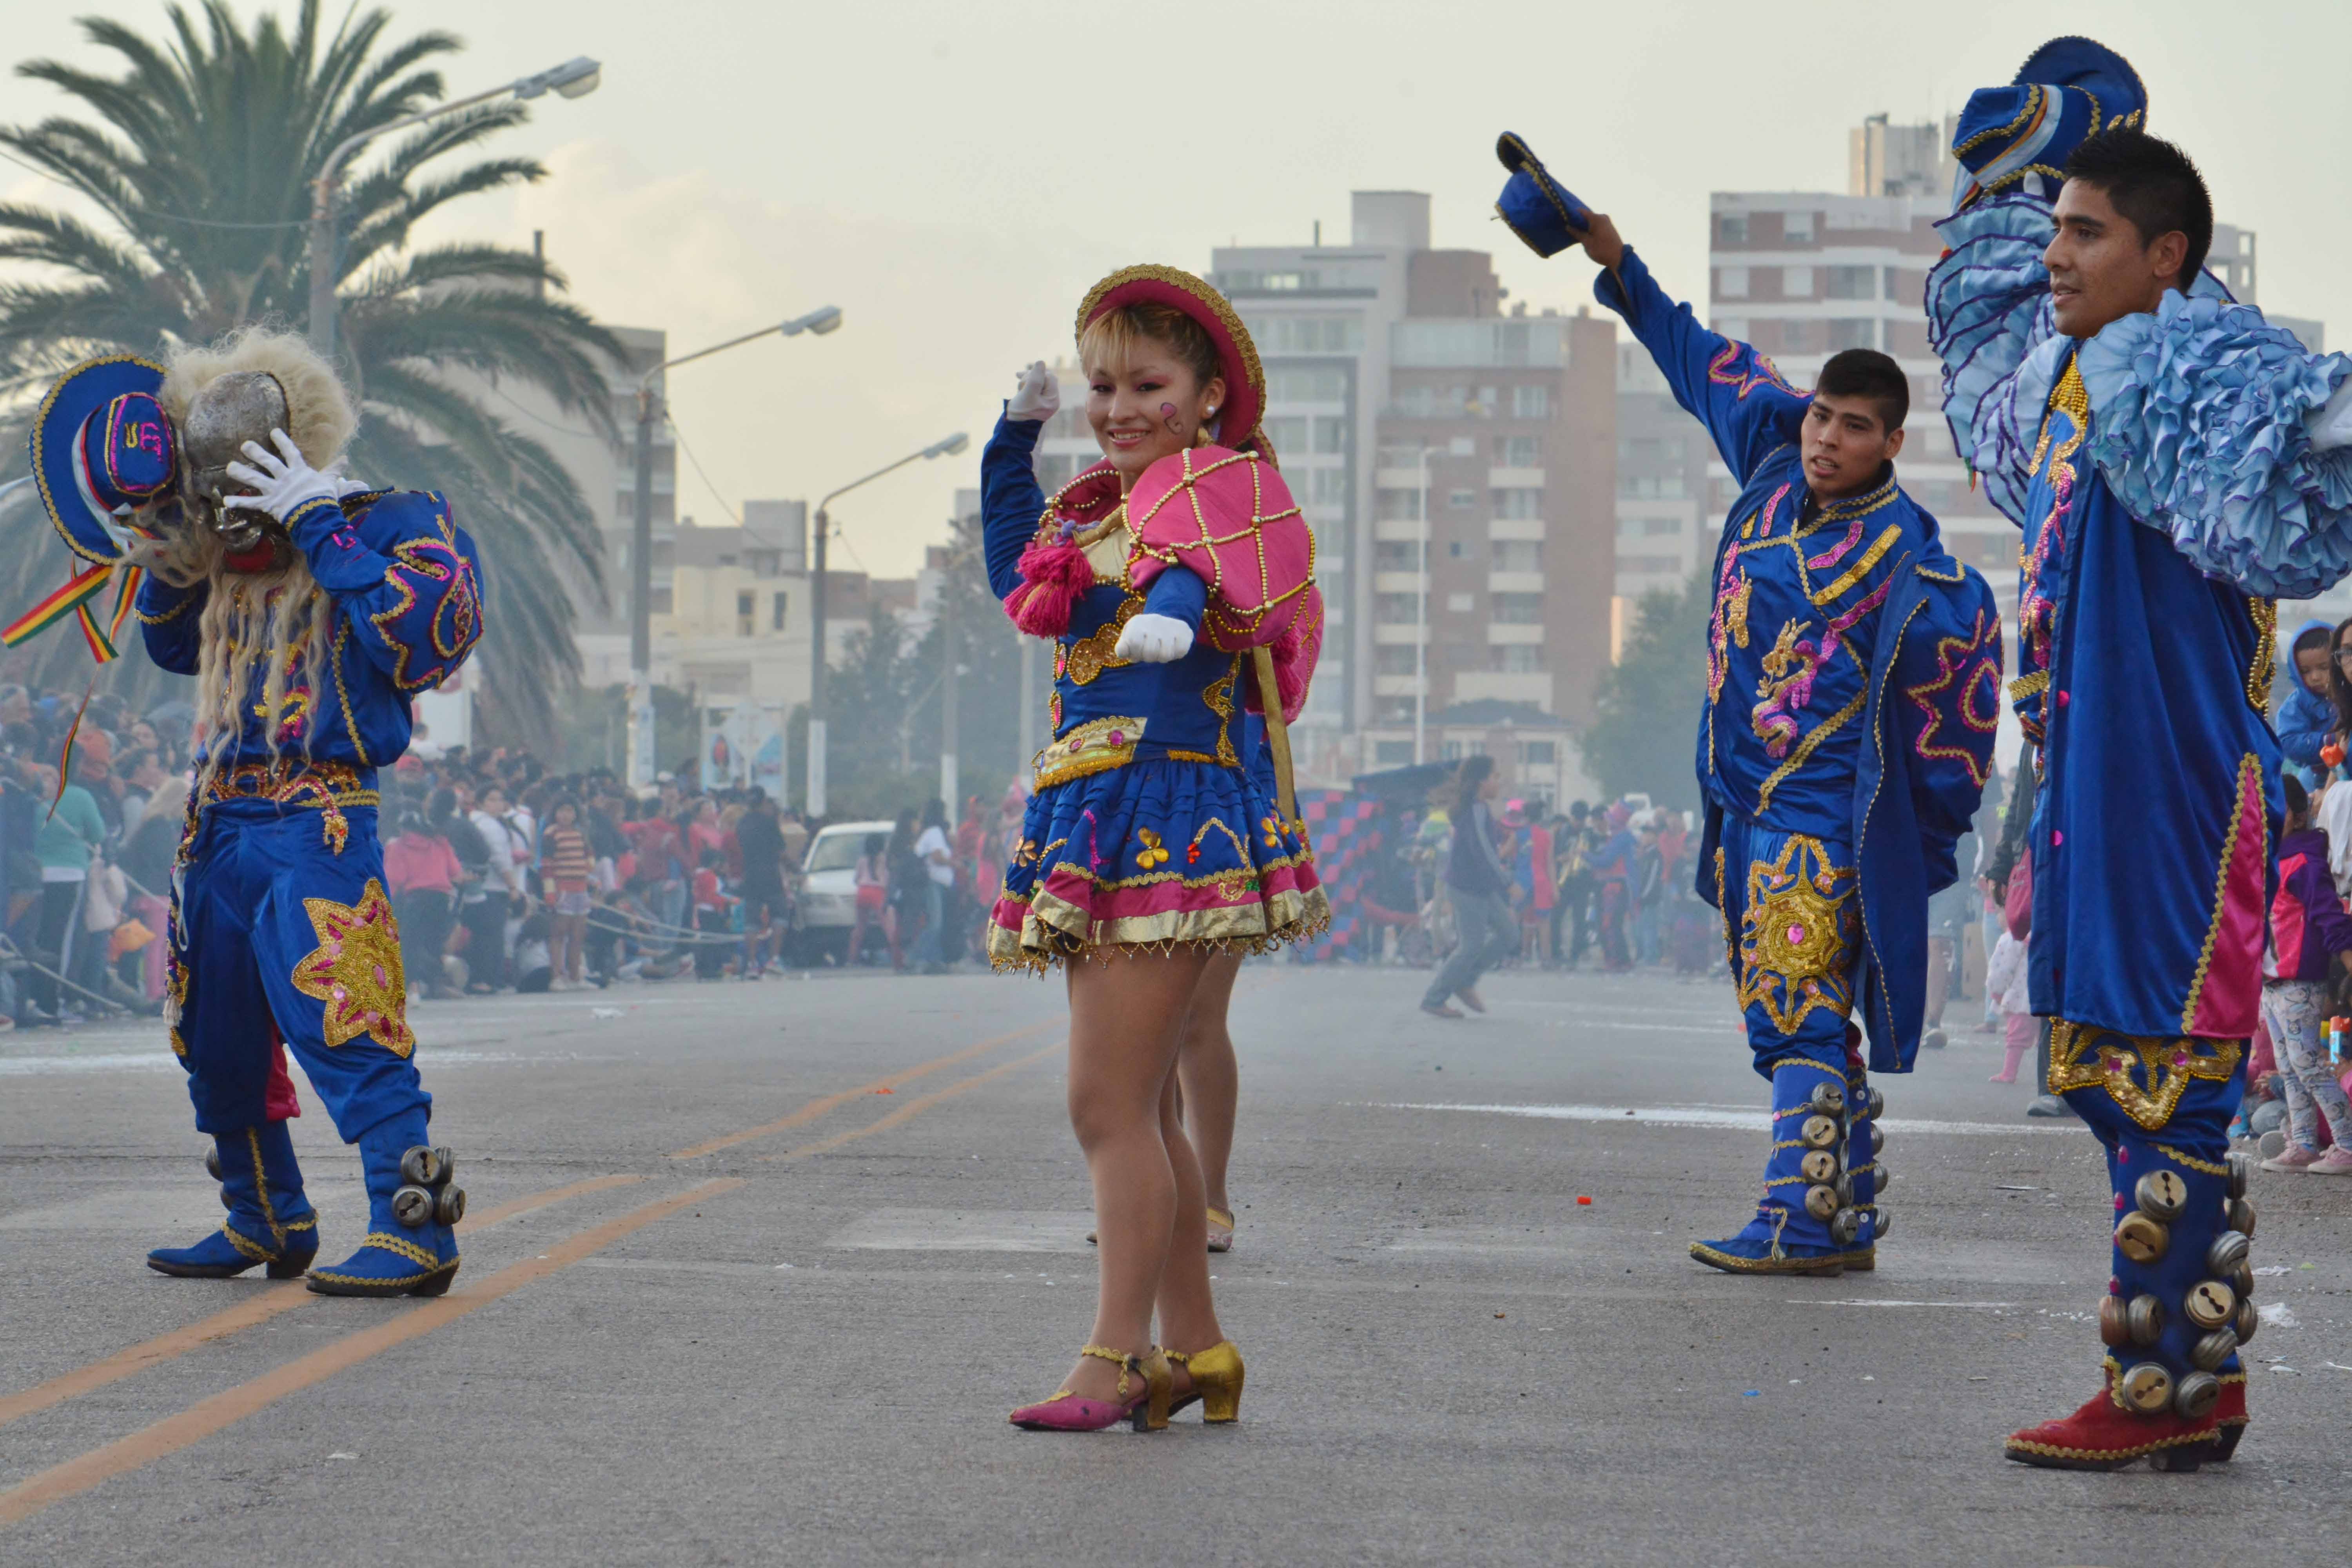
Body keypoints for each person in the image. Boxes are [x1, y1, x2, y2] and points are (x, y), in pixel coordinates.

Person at [1927, 40, 2352, 1466]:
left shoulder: (2198, 369)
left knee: (2166, 1075)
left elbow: (2300, 435)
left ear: (2166, 255)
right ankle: (2188, 1383)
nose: (2052, 253)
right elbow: (1991, 345)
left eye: (2082, 232)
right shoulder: (2087, 390)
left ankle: (2162, 1388)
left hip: (2177, 791)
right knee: (2120, 1075)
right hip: (2100, 787)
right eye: (2048, 225)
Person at [1495, 129, 1999, 1279]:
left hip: (1823, 819)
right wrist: (1610, 254)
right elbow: (1691, 354)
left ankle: (1799, 1218)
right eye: (1820, 417)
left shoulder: (1910, 566)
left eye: (1852, 429)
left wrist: (1913, 842)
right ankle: (1841, 1201)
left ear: (1889, 442)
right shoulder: (1772, 467)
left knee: (1792, 1007)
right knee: (1799, 1004)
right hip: (1742, 807)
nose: (1825, 439)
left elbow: (1955, 716)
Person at [984, 264, 1325, 1432]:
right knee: (1145, 1108)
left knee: (1107, 1104)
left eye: (1147, 383)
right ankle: (1197, 1348)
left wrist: (1172, 598)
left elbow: (1209, 578)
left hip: (1168, 810)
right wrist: (1009, 439)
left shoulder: (1227, 496)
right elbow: (1009, 574)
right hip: (1098, 811)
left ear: (1205, 395)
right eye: (1098, 386)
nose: (1119, 406)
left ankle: (1113, 1358)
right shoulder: (1092, 518)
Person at [80, 327, 483, 1295]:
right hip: (217, 816)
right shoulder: (220, 546)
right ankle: (265, 1216)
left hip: (321, 816)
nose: (218, 492)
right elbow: (177, 653)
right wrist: (158, 547)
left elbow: (431, 638)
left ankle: (415, 1224)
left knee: (347, 1019)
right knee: (211, 1036)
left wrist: (323, 527)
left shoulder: (392, 519)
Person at [2257, 777, 2352, 1173]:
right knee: (2289, 1064)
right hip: (2272, 981)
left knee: (2309, 1062)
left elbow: (2331, 919)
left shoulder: (2304, 863)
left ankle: (2347, 1142)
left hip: (2300, 980)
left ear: (2296, 817)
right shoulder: (2269, 860)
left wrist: (2349, 964)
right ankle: (2304, 1142)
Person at [1420, 755, 1517, 1019]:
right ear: (1481, 782)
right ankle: (1435, 998)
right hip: (1467, 887)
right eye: (1495, 776)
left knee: (1509, 935)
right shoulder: (1476, 809)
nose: (1499, 781)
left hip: (1481, 887)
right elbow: (1484, 852)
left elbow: (1487, 850)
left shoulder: (1480, 809)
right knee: (1471, 946)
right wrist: (1507, 882)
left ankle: (1465, 981)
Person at [383, 807, 461, 1001]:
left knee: (410, 944)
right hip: (442, 899)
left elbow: (395, 878)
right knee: (434, 944)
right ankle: (437, 985)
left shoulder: (398, 845)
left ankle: (413, 988)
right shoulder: (440, 843)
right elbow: (455, 871)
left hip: (416, 900)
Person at [2275, 621, 2337, 788]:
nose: (2315, 677)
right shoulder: (2298, 703)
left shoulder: (2346, 693)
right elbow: (2289, 741)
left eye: (2324, 667)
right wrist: (2330, 740)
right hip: (2319, 774)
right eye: (2305, 671)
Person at [540, 799, 593, 990]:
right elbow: (546, 865)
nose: (566, 815)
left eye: (570, 811)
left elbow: (589, 856)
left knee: (578, 934)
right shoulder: (551, 834)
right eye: (562, 811)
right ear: (555, 813)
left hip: (581, 888)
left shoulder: (581, 833)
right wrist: (550, 893)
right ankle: (557, 977)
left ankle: (575, 977)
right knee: (559, 933)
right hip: (562, 888)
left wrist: (590, 872)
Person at [734, 791, 787, 977]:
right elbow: (781, 852)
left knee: (751, 922)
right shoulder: (769, 822)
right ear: (763, 802)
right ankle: (774, 960)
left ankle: (752, 964)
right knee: (779, 917)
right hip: (771, 876)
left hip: (750, 876)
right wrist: (796, 868)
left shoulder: (742, 824)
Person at [910, 797, 955, 974]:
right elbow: (937, 857)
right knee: (935, 924)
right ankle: (915, 958)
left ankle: (934, 961)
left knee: (936, 923)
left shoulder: (928, 833)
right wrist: (953, 863)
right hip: (933, 884)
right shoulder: (935, 832)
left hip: (937, 884)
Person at [846, 831, 896, 969]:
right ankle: (897, 958)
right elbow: (889, 878)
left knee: (860, 928)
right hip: (878, 893)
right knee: (889, 927)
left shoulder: (862, 860)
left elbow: (856, 879)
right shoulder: (885, 859)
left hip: (863, 892)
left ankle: (851, 960)